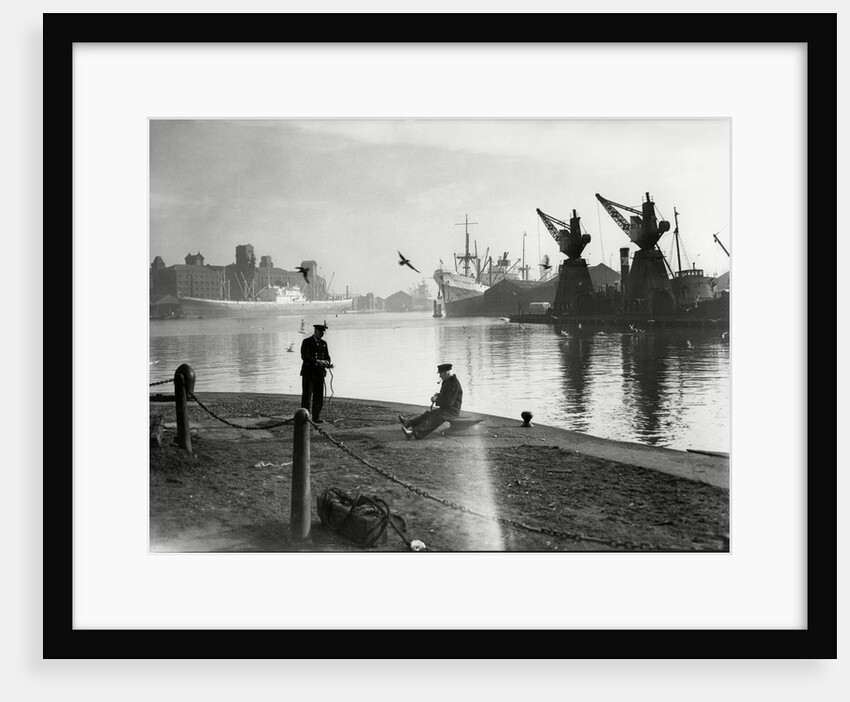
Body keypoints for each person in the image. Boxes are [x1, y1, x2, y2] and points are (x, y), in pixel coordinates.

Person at [398, 363, 462, 440]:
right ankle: (408, 423)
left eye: (441, 374)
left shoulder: (454, 384)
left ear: (446, 373)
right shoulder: (446, 381)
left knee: (433, 418)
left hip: (452, 411)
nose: (440, 376)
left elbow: (448, 402)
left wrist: (436, 400)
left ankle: (413, 432)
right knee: (428, 414)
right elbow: (446, 396)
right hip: (447, 410)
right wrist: (438, 395)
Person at [300, 323, 332, 423]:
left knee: (319, 396)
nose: (322, 334)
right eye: (321, 332)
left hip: (319, 374)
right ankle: (304, 418)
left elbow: (327, 357)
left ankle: (316, 417)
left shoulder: (324, 344)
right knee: (307, 396)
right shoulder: (307, 342)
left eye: (323, 333)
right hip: (309, 374)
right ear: (315, 331)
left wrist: (327, 363)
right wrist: (317, 361)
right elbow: (305, 356)